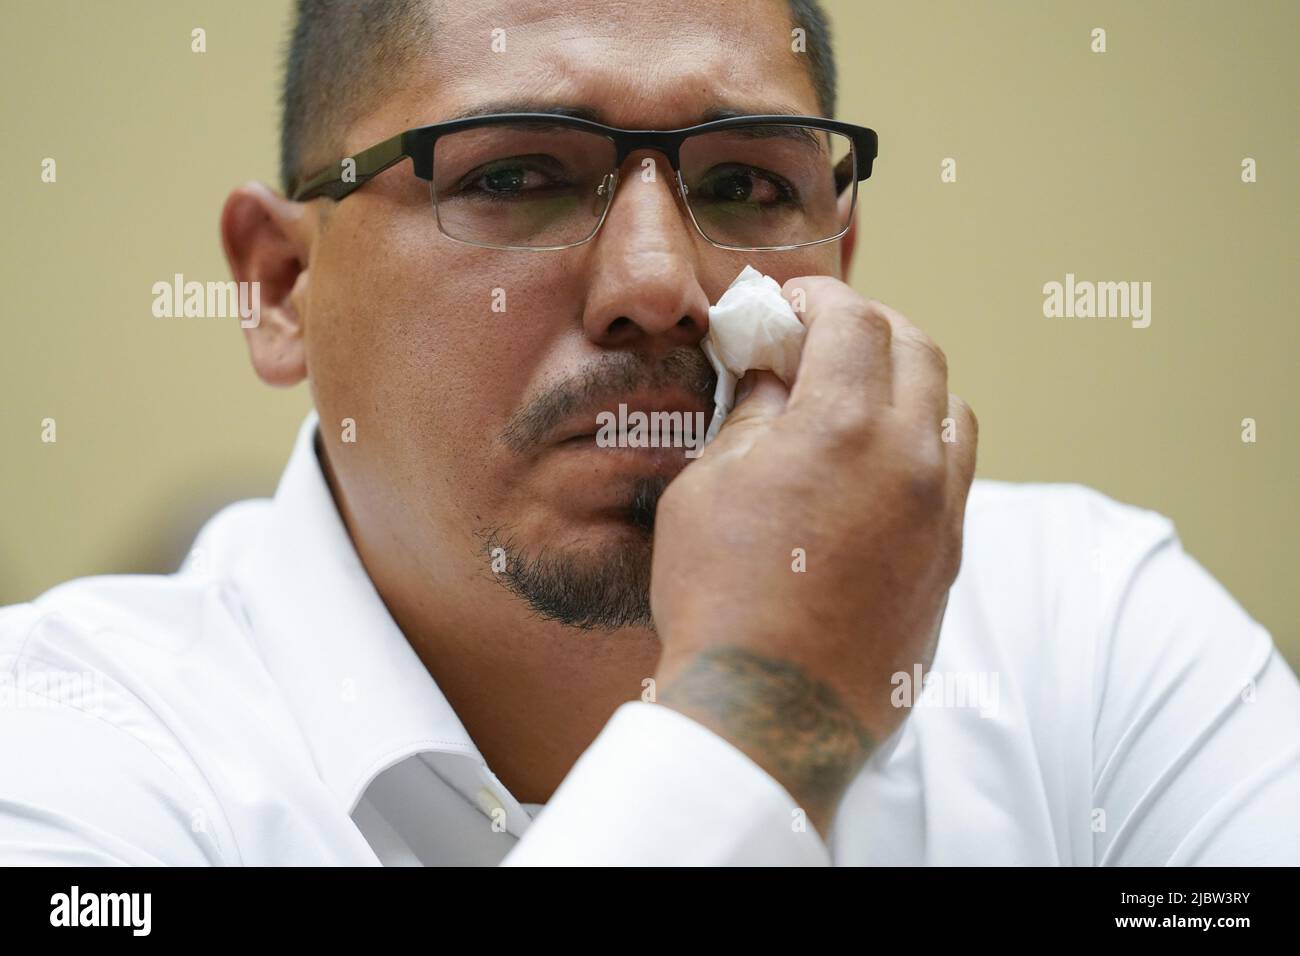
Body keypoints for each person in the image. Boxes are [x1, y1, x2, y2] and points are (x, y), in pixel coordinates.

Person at [1, 0, 1296, 866]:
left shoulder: (1091, 641)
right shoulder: (65, 755)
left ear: (840, 256)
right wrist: (759, 718)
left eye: (743, 183)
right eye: (513, 174)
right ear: (282, 287)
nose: (658, 284)